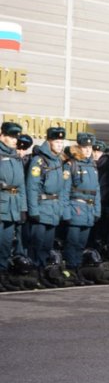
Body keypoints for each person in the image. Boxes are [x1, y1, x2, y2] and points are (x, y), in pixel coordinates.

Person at [25, 127, 67, 282]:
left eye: (61, 142)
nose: (59, 145)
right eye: (56, 141)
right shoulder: (39, 160)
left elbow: (61, 189)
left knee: (47, 245)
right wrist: (33, 210)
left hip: (53, 209)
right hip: (42, 208)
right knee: (36, 244)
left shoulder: (58, 160)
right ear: (49, 141)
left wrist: (61, 208)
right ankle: (33, 273)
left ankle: (42, 272)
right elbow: (32, 186)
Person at [63, 133, 101, 286]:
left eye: (89, 147)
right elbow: (65, 190)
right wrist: (65, 212)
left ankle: (77, 269)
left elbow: (96, 190)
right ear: (79, 147)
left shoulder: (92, 165)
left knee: (81, 244)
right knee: (72, 242)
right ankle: (71, 270)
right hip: (75, 208)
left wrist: (97, 210)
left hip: (89, 210)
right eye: (84, 147)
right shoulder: (72, 164)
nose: (87, 150)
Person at [0, 121, 28, 292]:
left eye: (16, 137)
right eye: (11, 136)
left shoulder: (16, 157)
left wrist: (23, 208)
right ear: (2, 136)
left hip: (13, 206)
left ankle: (2, 275)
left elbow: (22, 185)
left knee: (5, 243)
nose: (14, 140)